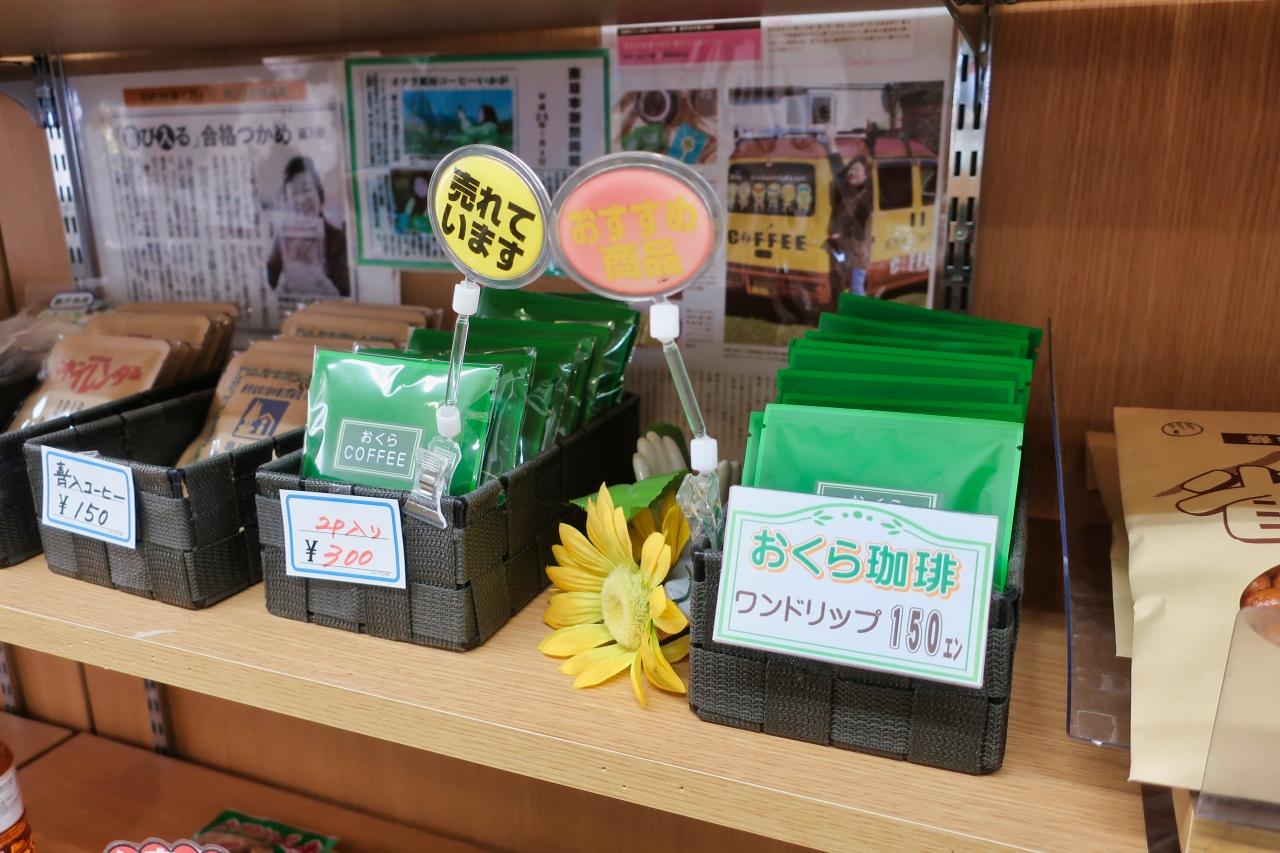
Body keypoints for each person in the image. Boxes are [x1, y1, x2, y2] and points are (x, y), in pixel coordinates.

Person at [266, 155, 350, 298]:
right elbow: (270, 280)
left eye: (306, 190)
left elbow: (346, 292)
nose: (301, 199)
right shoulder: (282, 240)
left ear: (319, 192)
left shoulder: (339, 240)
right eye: (294, 193)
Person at [825, 129, 873, 297]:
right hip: (842, 249)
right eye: (851, 170)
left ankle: (859, 312)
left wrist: (839, 232)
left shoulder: (867, 195)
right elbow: (838, 169)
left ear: (866, 176)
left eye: (857, 170)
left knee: (856, 287)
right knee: (844, 286)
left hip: (857, 253)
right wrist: (831, 143)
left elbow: (857, 222)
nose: (852, 173)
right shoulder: (848, 191)